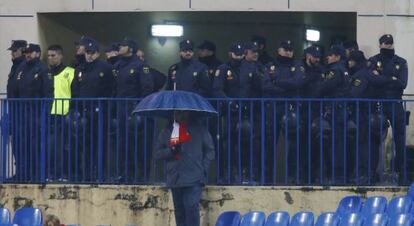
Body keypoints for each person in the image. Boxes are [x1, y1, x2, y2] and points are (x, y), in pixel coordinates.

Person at [154, 111, 214, 226]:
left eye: (182, 112)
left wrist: (204, 168)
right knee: (180, 212)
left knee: (191, 208)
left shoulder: (199, 130)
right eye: (177, 113)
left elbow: (210, 150)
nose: (180, 115)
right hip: (175, 178)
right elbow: (157, 154)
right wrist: (170, 151)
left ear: (188, 113)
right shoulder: (167, 131)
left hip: (194, 178)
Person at [71, 38, 114, 182]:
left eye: (92, 52)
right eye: (87, 52)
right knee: (86, 145)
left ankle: (101, 173)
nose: (89, 55)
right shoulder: (80, 69)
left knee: (100, 144)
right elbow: (75, 90)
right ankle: (87, 173)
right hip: (84, 112)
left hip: (100, 113)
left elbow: (112, 89)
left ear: (97, 53)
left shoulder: (105, 68)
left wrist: (107, 109)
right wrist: (75, 109)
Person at [367, 34, 408, 184]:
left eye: (389, 43)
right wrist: (391, 79)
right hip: (379, 104)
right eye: (384, 43)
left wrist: (382, 77)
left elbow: (402, 83)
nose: (387, 46)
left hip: (395, 103)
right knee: (375, 139)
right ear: (379, 44)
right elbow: (371, 80)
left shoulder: (401, 62)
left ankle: (401, 173)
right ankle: (373, 174)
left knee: (399, 140)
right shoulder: (373, 60)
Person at [46, 44, 75, 181]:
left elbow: (75, 93)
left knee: (64, 146)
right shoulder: (46, 72)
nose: (51, 58)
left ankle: (64, 173)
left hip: (64, 113)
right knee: (51, 146)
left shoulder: (70, 72)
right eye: (49, 56)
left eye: (53, 55)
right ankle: (52, 173)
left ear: (60, 55)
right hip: (49, 114)